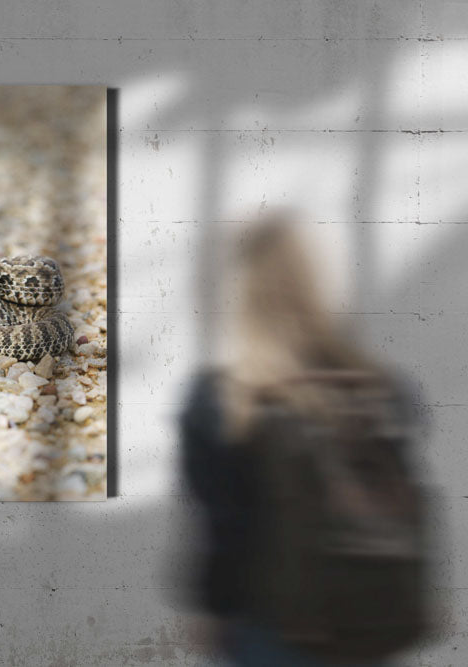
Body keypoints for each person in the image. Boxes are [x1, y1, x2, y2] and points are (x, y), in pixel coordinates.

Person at [178, 215, 427, 666]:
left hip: (272, 628)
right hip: (371, 620)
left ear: (239, 294)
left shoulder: (223, 400)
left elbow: (222, 533)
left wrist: (214, 611)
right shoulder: (383, 388)